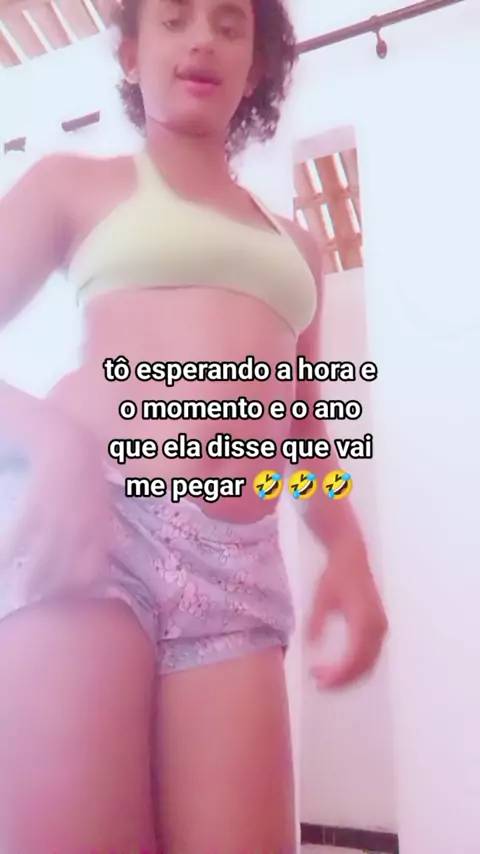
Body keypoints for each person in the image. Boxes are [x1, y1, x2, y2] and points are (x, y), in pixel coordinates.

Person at [0, 0, 388, 852]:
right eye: (175, 19)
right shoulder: (73, 186)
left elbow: (300, 425)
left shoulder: (300, 247)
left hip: (236, 573)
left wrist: (346, 548)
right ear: (131, 55)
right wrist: (46, 439)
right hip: (94, 527)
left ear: (255, 67)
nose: (203, 38)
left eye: (228, 24)